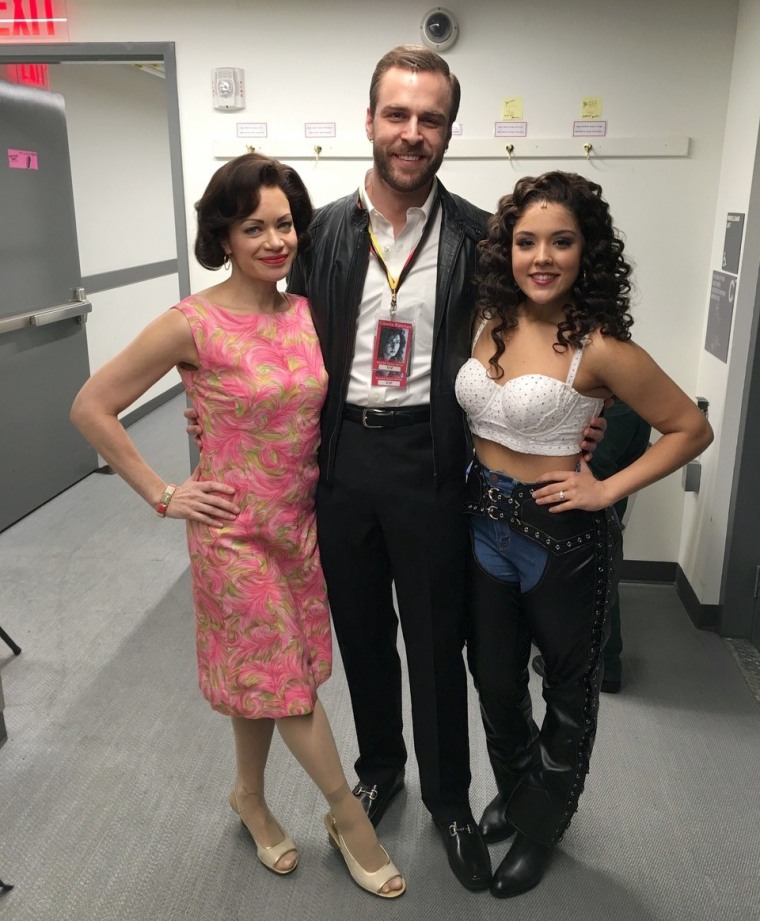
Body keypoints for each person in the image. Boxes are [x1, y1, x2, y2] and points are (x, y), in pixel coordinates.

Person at [187, 46, 605, 891]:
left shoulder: (487, 236)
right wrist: (210, 399)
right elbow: (264, 321)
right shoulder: (322, 231)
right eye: (398, 115)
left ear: (449, 129)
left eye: (431, 118)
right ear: (370, 120)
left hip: (432, 457)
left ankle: (449, 795)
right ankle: (382, 765)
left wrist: (584, 422)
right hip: (338, 457)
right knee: (363, 632)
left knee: (434, 635)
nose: (413, 133)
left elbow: (553, 327)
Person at [70, 153, 404, 899]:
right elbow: (92, 404)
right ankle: (349, 817)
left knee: (262, 675)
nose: (274, 240)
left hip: (297, 525)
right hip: (230, 533)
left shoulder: (308, 311)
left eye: (285, 223)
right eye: (254, 226)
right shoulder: (192, 322)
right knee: (287, 684)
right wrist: (163, 492)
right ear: (223, 234)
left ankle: (247, 794)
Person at [456, 170, 713, 898]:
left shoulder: (599, 346)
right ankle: (519, 790)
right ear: (507, 248)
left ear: (585, 251)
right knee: (495, 678)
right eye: (527, 240)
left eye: (561, 242)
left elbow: (690, 428)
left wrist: (606, 486)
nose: (542, 257)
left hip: (559, 533)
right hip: (481, 518)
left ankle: (542, 827)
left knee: (568, 689)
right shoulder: (485, 320)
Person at [532, 397, 652, 692]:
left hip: (611, 413)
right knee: (599, 550)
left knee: (590, 557)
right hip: (624, 411)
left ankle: (604, 664)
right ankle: (598, 659)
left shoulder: (609, 382)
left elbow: (590, 474)